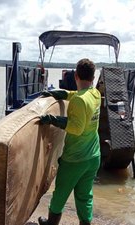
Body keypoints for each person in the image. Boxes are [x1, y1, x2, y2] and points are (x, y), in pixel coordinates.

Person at [39, 58, 101, 225]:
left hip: (75, 159)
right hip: (93, 156)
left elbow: (76, 128)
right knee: (84, 195)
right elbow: (79, 94)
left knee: (60, 194)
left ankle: (51, 223)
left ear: (76, 76)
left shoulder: (79, 101)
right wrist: (64, 93)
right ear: (93, 78)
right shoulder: (96, 94)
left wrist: (54, 120)